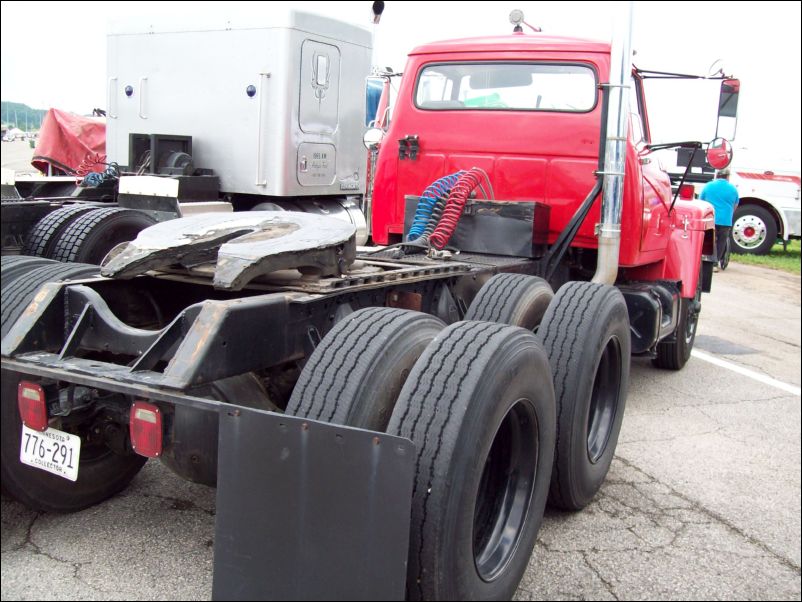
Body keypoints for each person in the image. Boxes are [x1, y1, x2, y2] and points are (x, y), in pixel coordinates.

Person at [700, 168, 739, 272]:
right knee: (721, 242)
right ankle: (715, 263)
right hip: (726, 220)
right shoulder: (733, 189)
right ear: (727, 177)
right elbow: (735, 205)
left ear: (717, 176)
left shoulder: (708, 186)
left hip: (711, 219)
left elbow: (701, 202)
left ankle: (710, 261)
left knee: (712, 240)